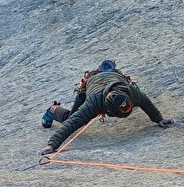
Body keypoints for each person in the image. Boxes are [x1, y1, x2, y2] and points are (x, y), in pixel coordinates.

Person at [38, 60, 174, 155]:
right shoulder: (94, 102)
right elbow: (71, 123)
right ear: (108, 111)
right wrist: (52, 145)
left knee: (74, 119)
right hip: (92, 83)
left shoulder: (130, 92)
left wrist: (158, 119)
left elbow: (146, 102)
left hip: (114, 76)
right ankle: (52, 110)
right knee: (71, 117)